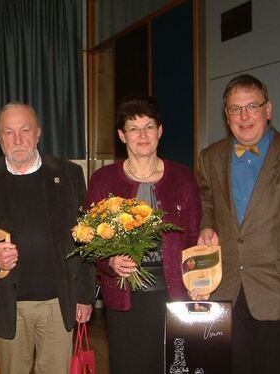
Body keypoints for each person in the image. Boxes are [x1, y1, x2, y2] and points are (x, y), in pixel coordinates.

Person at [197, 74, 280, 374]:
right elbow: (207, 201)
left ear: (268, 110)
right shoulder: (210, 157)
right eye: (234, 109)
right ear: (225, 113)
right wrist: (206, 226)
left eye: (252, 106)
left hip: (278, 289)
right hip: (226, 286)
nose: (243, 116)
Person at [0, 102, 96, 374]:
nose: (18, 139)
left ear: (38, 133)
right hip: (7, 304)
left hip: (58, 303)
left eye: (25, 130)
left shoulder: (69, 174)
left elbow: (87, 239)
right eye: (8, 132)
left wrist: (85, 296)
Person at [84, 96, 201, 374]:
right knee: (127, 365)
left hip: (172, 294)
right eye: (134, 129)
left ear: (160, 131)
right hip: (126, 294)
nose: (142, 135)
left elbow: (193, 236)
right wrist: (110, 262)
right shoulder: (103, 180)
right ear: (122, 136)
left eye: (149, 126)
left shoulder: (183, 177)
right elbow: (90, 238)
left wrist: (198, 278)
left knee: (170, 365)